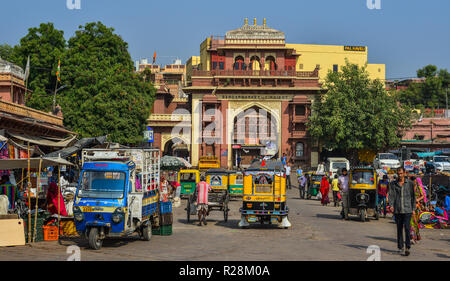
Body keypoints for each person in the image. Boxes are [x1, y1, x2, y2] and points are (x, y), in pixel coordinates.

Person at [389, 167, 416, 256]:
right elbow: (391, 195)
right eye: (398, 174)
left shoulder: (410, 183)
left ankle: (407, 247)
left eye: (401, 173)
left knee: (407, 228)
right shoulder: (393, 184)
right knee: (399, 228)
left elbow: (413, 197)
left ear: (405, 173)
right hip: (398, 209)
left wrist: (413, 209)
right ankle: (400, 246)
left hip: (408, 209)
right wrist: (391, 205)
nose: (400, 175)